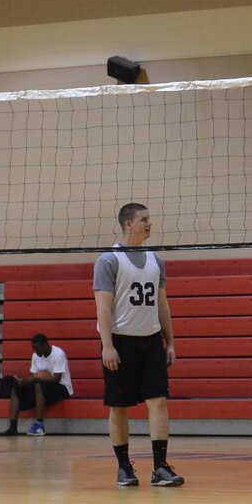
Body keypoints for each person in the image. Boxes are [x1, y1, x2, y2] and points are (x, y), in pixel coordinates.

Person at [95, 203, 182, 488]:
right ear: (128, 224)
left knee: (158, 401)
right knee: (120, 407)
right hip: (120, 341)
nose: (149, 223)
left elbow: (162, 304)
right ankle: (124, 468)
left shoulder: (156, 259)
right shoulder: (108, 260)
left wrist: (170, 341)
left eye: (149, 219)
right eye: (144, 219)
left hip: (151, 340)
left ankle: (160, 468)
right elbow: (103, 308)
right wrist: (107, 345)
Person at [2, 333, 72, 436]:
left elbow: (56, 379)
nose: (35, 351)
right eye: (34, 348)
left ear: (46, 345)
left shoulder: (58, 354)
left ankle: (39, 425)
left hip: (62, 388)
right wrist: (24, 381)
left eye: (38, 348)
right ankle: (13, 427)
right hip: (42, 388)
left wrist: (35, 379)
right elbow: (33, 377)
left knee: (39, 386)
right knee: (16, 389)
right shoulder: (35, 355)